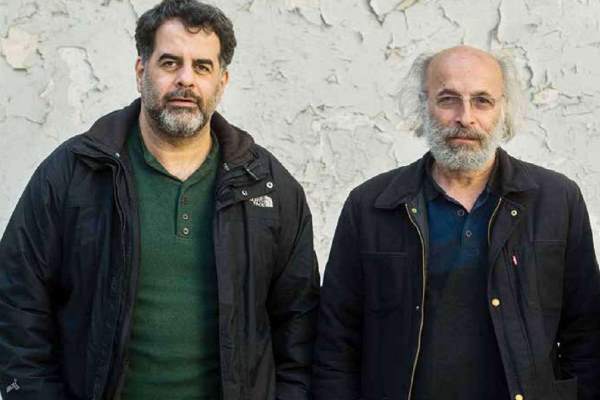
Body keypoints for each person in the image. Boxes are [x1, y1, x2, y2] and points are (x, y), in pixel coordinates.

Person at [0, 1, 319, 399]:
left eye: (202, 66)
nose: (186, 79)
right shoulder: (74, 173)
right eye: (170, 63)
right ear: (141, 72)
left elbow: (299, 328)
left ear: (222, 82)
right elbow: (17, 302)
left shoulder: (268, 187)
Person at [313, 45, 600, 400]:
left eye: (482, 101)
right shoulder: (371, 206)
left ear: (503, 109)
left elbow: (586, 337)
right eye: (448, 99)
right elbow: (336, 343)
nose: (465, 117)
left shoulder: (557, 201)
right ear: (424, 104)